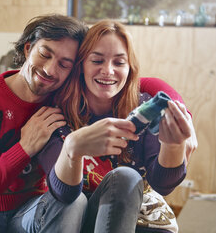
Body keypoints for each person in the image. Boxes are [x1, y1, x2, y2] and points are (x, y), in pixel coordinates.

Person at [0, 14, 195, 233]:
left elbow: (143, 84)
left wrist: (178, 111)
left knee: (74, 201)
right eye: (45, 54)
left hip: (36, 207)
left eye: (65, 64)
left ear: (74, 69)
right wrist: (24, 148)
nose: (51, 70)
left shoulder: (61, 95)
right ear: (28, 48)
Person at [37, 19, 197, 233]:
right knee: (109, 185)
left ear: (130, 69)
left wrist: (173, 146)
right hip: (79, 216)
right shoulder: (56, 114)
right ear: (81, 64)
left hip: (138, 215)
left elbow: (163, 185)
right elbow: (63, 195)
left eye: (119, 63)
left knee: (127, 177)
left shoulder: (144, 109)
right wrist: (72, 148)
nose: (108, 71)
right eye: (97, 61)